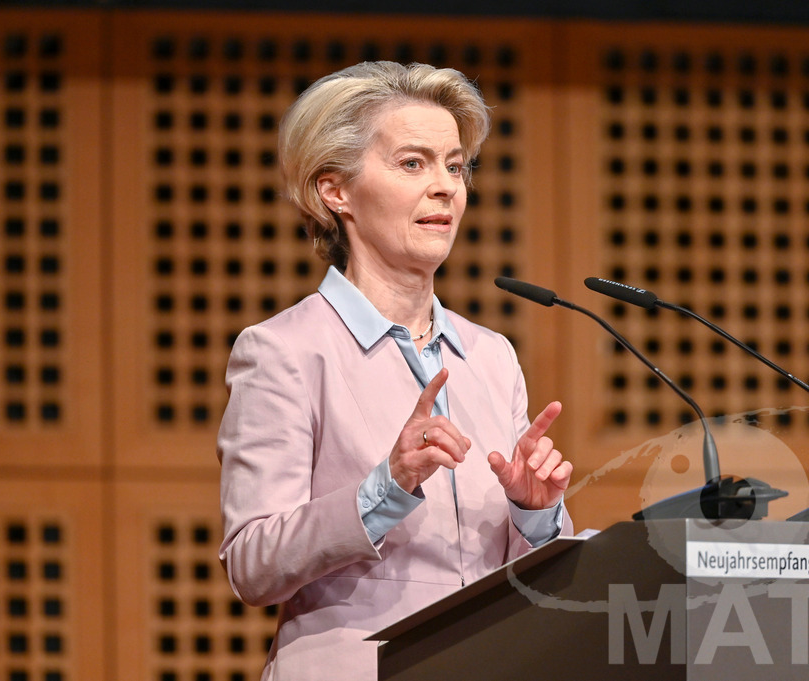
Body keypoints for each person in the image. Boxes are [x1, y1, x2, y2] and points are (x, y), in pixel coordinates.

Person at [216, 61, 574, 680]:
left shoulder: (491, 356)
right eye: (413, 164)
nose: (446, 188)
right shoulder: (283, 351)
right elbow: (252, 564)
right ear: (336, 191)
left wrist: (535, 513)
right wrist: (387, 487)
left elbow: (522, 572)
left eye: (455, 166)